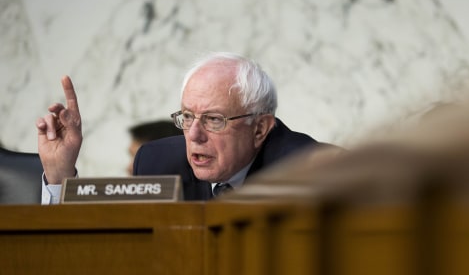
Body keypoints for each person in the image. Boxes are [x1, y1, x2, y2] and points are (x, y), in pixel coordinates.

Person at [36, 52, 323, 203]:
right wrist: (60, 177)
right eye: (187, 117)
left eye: (214, 120)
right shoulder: (157, 162)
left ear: (259, 129)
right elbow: (112, 249)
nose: (194, 136)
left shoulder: (312, 173)